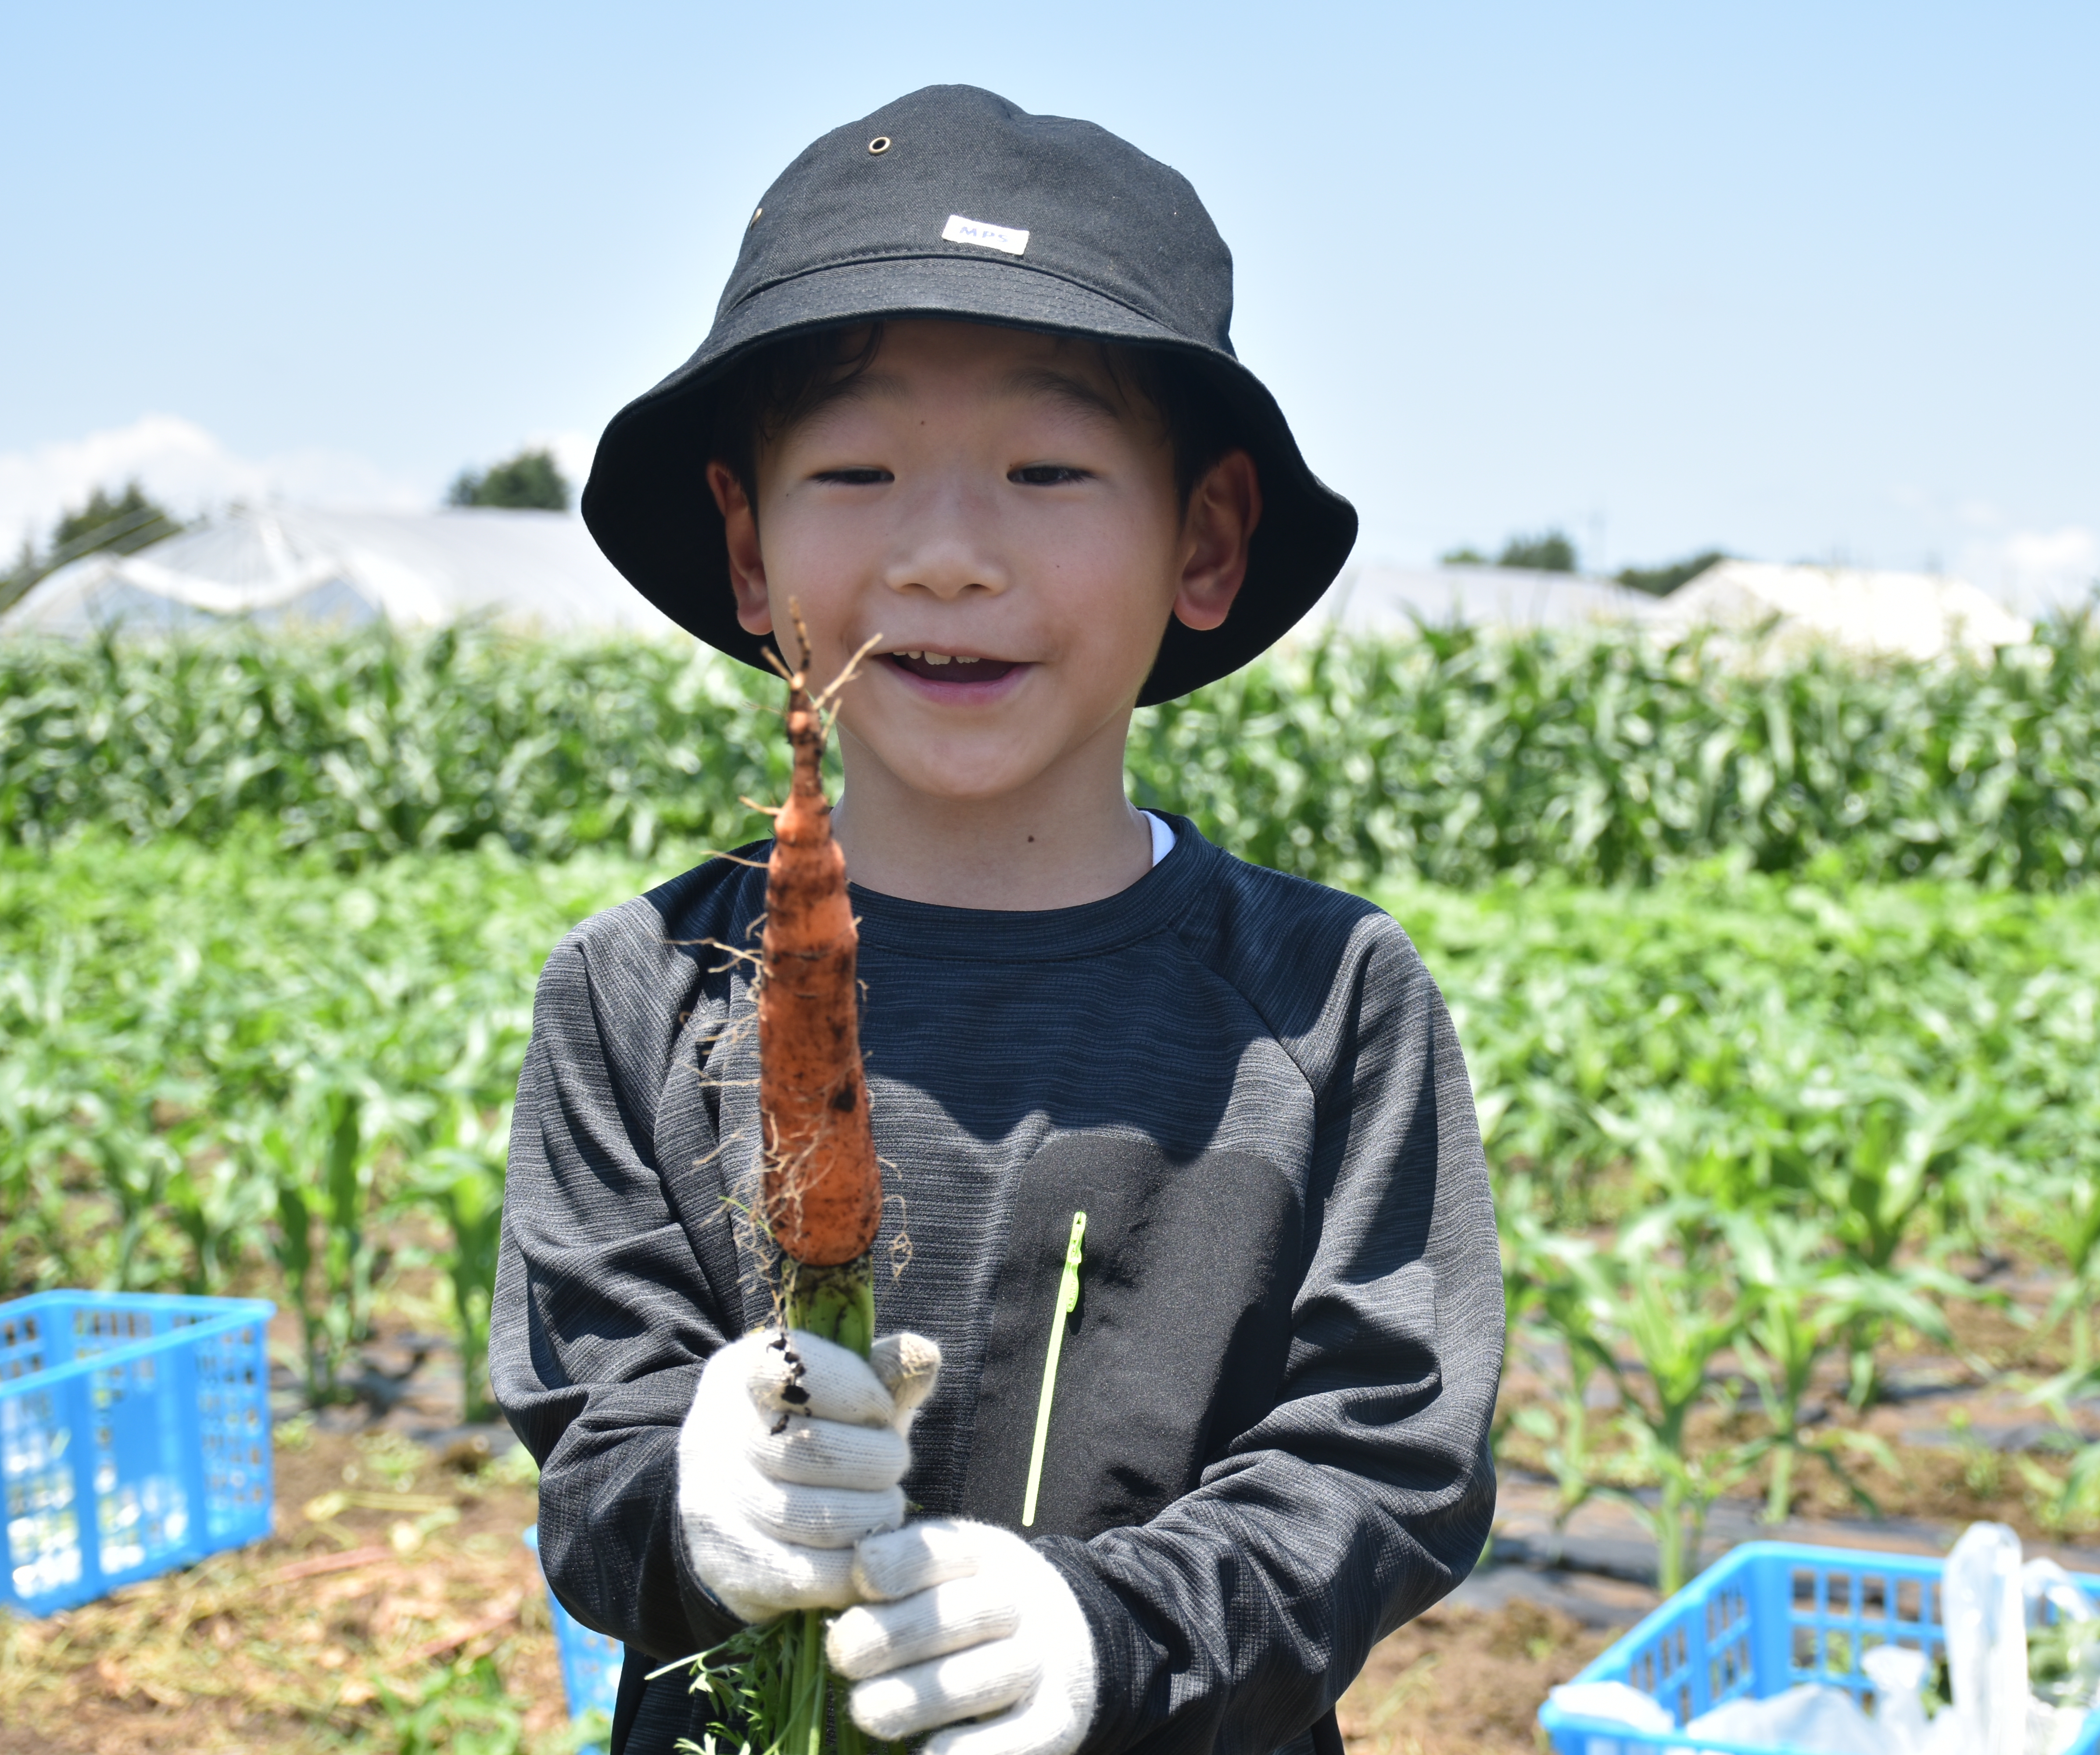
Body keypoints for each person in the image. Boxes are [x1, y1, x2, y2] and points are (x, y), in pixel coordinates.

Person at [491, 85, 1502, 1755]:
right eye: (858, 468)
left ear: (1208, 538)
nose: (948, 553)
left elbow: (1389, 1457)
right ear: (750, 554)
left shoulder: (1330, 1005)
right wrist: (699, 1493)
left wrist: (1114, 1638)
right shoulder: (635, 994)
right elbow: (592, 1442)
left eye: (1048, 468)